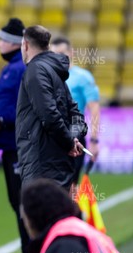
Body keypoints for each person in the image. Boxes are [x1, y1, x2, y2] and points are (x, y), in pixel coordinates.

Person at [0, 18, 37, 253]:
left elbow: (20, 106)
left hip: (19, 146)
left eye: (1, 39)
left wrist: (3, 121)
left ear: (13, 42)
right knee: (17, 202)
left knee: (23, 203)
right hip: (10, 145)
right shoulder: (12, 68)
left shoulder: (19, 69)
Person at [16, 25, 87, 190]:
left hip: (41, 163)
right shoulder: (55, 72)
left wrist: (70, 142)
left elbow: (48, 114)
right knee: (58, 212)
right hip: (57, 162)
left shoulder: (35, 70)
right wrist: (73, 136)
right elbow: (75, 113)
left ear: (26, 45)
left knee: (40, 213)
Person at [50, 36, 101, 187]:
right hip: (53, 135)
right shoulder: (50, 75)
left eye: (62, 53)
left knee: (70, 185)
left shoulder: (83, 77)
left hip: (74, 134)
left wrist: (94, 140)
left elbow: (95, 109)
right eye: (54, 53)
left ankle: (70, 210)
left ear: (71, 52)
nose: (58, 57)